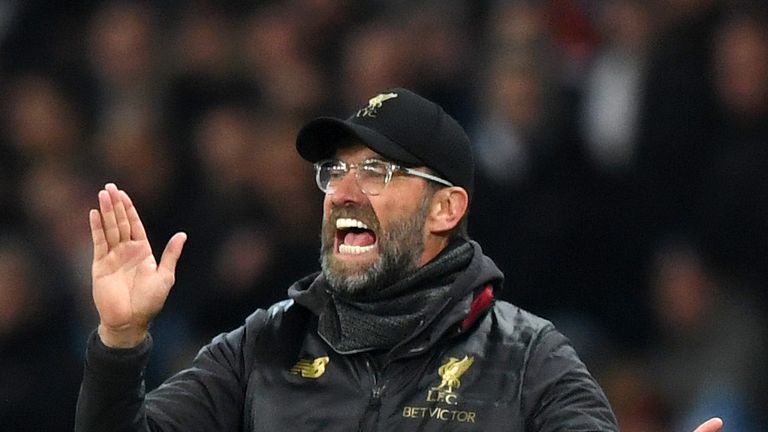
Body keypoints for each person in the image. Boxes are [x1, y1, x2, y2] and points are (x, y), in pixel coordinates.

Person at [75, 88, 723, 431]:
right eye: (335, 172)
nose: (344, 192)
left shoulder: (531, 361)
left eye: (378, 172)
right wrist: (120, 341)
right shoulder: (260, 347)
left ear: (445, 210)